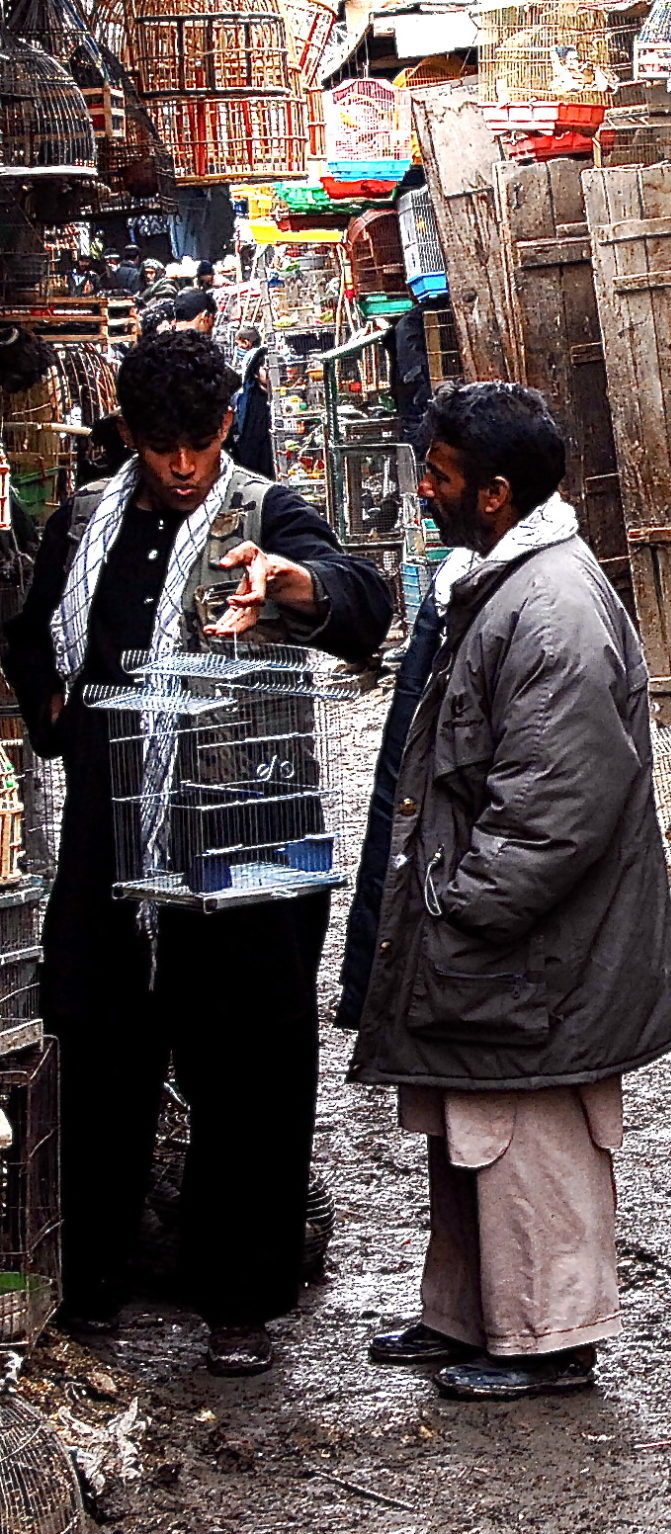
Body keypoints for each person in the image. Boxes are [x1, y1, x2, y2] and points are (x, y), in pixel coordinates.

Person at [5, 332, 392, 1377]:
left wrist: (290, 590)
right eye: (163, 445)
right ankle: (92, 1284)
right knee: (99, 1056)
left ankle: (241, 1300)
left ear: (228, 423)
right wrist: (65, 715)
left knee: (249, 1071)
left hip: (244, 849)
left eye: (201, 441)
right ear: (128, 433)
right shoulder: (85, 522)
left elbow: (363, 603)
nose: (184, 466)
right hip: (110, 846)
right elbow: (40, 641)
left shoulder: (263, 514)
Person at [347, 381, 671, 1401]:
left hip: (533, 946)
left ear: (494, 494)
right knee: (472, 1126)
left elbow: (554, 813)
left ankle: (547, 1340)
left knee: (529, 1139)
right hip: (500, 931)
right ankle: (470, 1316)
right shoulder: (500, 581)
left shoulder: (550, 608)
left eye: (439, 478)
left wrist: (463, 910)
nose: (424, 495)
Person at [230, 327, 274, 478]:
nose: (237, 349)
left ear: (247, 342)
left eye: (239, 344)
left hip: (256, 416)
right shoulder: (254, 357)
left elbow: (267, 379)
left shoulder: (257, 358)